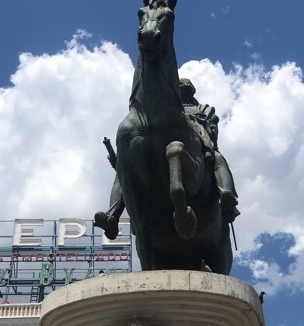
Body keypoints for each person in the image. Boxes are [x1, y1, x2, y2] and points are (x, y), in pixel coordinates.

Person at [94, 79, 239, 240]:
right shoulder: (163, 111)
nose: (183, 91)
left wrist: (196, 124)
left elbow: (212, 128)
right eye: (181, 88)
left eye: (186, 89)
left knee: (218, 158)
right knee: (124, 170)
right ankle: (112, 216)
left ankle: (226, 195)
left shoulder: (203, 108)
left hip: (197, 142)